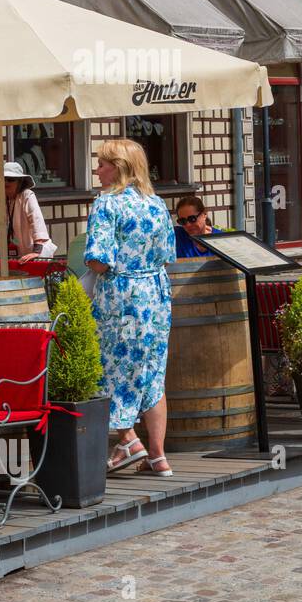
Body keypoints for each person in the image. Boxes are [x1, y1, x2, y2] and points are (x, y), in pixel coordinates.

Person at [85, 138, 176, 479]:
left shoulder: (107, 204)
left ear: (118, 168)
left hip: (122, 297)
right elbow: (169, 254)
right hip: (156, 294)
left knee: (111, 367)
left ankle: (127, 440)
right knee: (152, 372)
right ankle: (158, 456)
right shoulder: (155, 203)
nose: (98, 169)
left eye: (103, 164)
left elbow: (98, 260)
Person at [0, 161, 57, 263]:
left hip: (33, 252)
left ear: (20, 182)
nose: (6, 183)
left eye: (11, 179)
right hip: (12, 254)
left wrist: (36, 251)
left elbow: (37, 222)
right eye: (3, 179)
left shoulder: (27, 195)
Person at [173, 194, 230, 259]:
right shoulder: (176, 236)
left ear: (204, 215)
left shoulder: (221, 240)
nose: (188, 224)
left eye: (192, 219)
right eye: (182, 221)